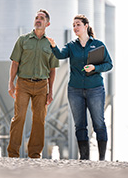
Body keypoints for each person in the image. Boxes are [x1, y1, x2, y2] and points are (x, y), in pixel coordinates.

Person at [47, 14, 113, 160]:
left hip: (95, 89)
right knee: (80, 124)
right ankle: (84, 158)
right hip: (75, 90)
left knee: (99, 123)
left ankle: (102, 158)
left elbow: (109, 64)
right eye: (74, 25)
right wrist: (53, 46)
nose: (75, 27)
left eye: (78, 24)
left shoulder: (98, 45)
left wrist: (94, 67)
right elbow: (60, 55)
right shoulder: (71, 46)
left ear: (86, 26)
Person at [7, 9, 59, 158]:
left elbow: (52, 70)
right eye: (36, 17)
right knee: (19, 117)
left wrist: (51, 91)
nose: (38, 20)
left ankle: (35, 154)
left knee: (39, 120)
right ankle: (13, 153)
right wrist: (11, 83)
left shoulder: (50, 45)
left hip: (42, 86)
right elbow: (15, 63)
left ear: (47, 23)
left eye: (41, 18)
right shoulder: (23, 40)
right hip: (23, 84)